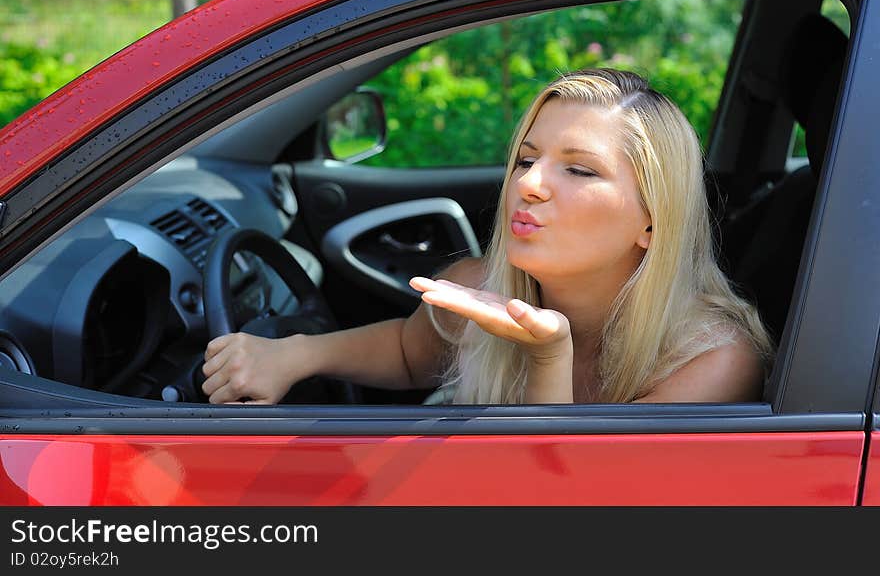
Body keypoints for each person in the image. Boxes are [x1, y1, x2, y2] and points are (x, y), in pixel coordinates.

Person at [201, 68, 773, 405]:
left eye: (579, 169)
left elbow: (571, 516)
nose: (530, 184)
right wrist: (293, 354)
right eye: (525, 159)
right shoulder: (479, 287)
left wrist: (546, 356)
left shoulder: (714, 361)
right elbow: (407, 354)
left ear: (654, 219)